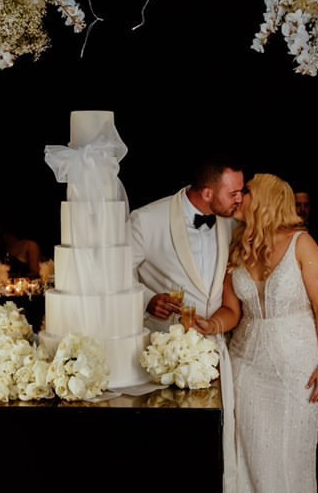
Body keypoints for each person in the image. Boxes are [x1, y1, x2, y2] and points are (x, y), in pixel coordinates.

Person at [194, 174, 318, 493]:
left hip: (296, 367)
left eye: (247, 191)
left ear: (267, 200)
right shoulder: (238, 246)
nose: (239, 196)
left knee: (290, 457)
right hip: (246, 364)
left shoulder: (302, 243)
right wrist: (211, 325)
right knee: (249, 453)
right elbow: (232, 311)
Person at [130, 156, 243, 491]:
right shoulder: (147, 219)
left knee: (213, 449)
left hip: (216, 354)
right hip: (160, 356)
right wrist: (147, 298)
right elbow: (113, 276)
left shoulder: (231, 223)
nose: (240, 198)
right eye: (233, 192)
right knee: (166, 451)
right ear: (208, 193)